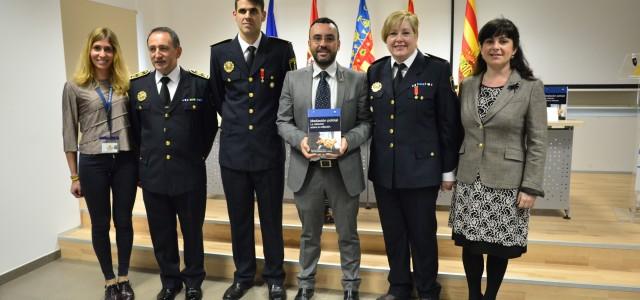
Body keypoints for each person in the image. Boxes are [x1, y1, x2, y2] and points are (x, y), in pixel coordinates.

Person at [448, 18, 547, 300]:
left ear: (514, 48)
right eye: (489, 41)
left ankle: (489, 296)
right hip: (470, 179)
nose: (496, 47)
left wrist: (530, 186)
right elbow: (461, 132)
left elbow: (538, 141)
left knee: (497, 244)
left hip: (507, 181)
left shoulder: (529, 86)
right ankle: (473, 295)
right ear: (480, 47)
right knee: (471, 244)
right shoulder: (468, 85)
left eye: (503, 41)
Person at [367, 11, 462, 300]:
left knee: (421, 235)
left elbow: (450, 125)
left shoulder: (435, 69)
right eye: (393, 34)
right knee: (394, 234)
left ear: (416, 36)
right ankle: (399, 287)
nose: (399, 39)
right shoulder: (376, 71)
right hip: (386, 171)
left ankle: (427, 289)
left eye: (405, 33)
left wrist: (448, 170)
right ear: (385, 39)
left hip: (422, 171)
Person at [277, 17, 372, 300]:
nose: (322, 44)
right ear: (309, 44)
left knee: (348, 234)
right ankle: (306, 285)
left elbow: (367, 123)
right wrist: (301, 140)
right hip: (307, 170)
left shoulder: (357, 79)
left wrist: (347, 141)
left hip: (344, 169)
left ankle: (351, 287)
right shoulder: (292, 79)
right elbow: (282, 121)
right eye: (317, 38)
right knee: (308, 235)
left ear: (338, 44)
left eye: (329, 39)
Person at [209, 0, 296, 299]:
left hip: (269, 150)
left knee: (272, 219)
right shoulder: (219, 52)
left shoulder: (282, 50)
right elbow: (219, 99)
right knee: (239, 219)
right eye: (242, 11)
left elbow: (288, 96)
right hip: (234, 152)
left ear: (263, 15)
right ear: (235, 15)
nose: (248, 16)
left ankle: (275, 278)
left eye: (253, 11)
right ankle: (243, 276)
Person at [128, 27, 217, 300]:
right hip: (153, 175)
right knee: (161, 233)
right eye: (152, 49)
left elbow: (209, 128)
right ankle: (170, 281)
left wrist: (193, 156)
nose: (158, 54)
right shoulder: (137, 86)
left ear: (177, 51)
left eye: (163, 48)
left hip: (189, 173)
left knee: (192, 232)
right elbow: (134, 131)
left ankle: (192, 281)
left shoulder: (200, 84)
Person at [62, 27, 136, 300]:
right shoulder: (74, 87)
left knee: (124, 221)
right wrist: (73, 176)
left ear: (115, 53)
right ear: (89, 51)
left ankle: (125, 277)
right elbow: (69, 133)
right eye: (97, 48)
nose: (102, 54)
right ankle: (109, 280)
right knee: (100, 223)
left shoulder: (125, 86)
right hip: (92, 162)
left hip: (125, 160)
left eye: (108, 48)